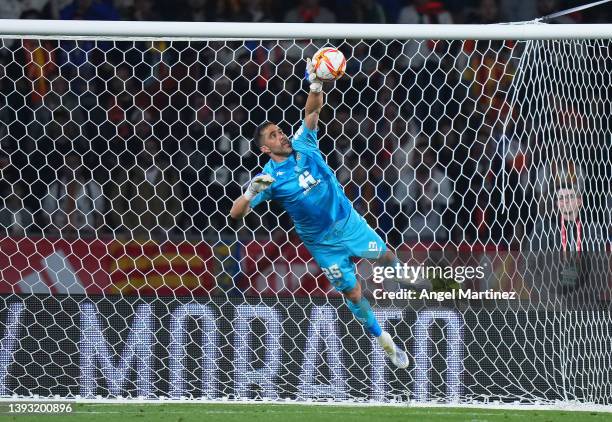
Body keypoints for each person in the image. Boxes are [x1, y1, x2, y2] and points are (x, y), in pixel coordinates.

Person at [230, 58, 409, 368]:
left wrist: (316, 82)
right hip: (323, 245)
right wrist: (250, 192)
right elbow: (235, 214)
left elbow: (312, 111)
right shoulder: (268, 179)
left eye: (279, 131)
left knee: (388, 258)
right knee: (354, 294)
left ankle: (425, 285)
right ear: (264, 149)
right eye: (273, 136)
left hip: (348, 223)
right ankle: (386, 342)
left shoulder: (305, 143)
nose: (281, 135)